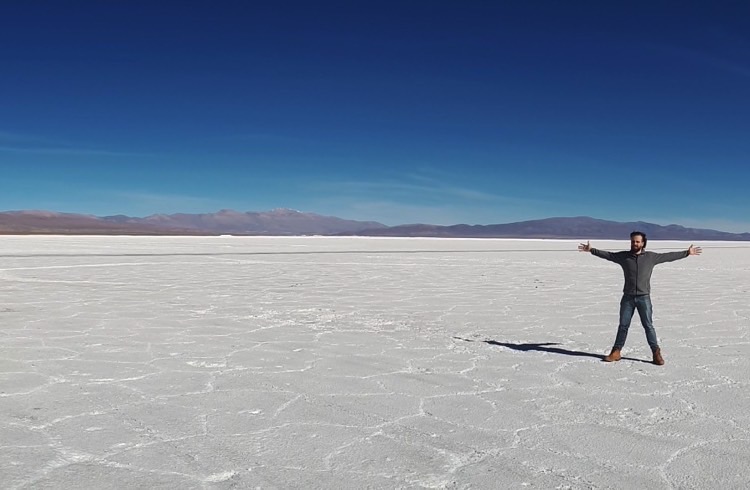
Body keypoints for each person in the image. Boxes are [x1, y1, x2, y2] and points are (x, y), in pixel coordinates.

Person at [578, 231, 702, 365]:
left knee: (648, 326)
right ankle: (616, 352)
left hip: (644, 298)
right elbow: (608, 255)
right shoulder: (624, 256)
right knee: (623, 326)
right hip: (628, 298)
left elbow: (668, 256)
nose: (634, 244)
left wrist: (686, 253)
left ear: (643, 243)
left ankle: (656, 353)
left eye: (637, 241)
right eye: (632, 241)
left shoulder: (650, 257)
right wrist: (591, 250)